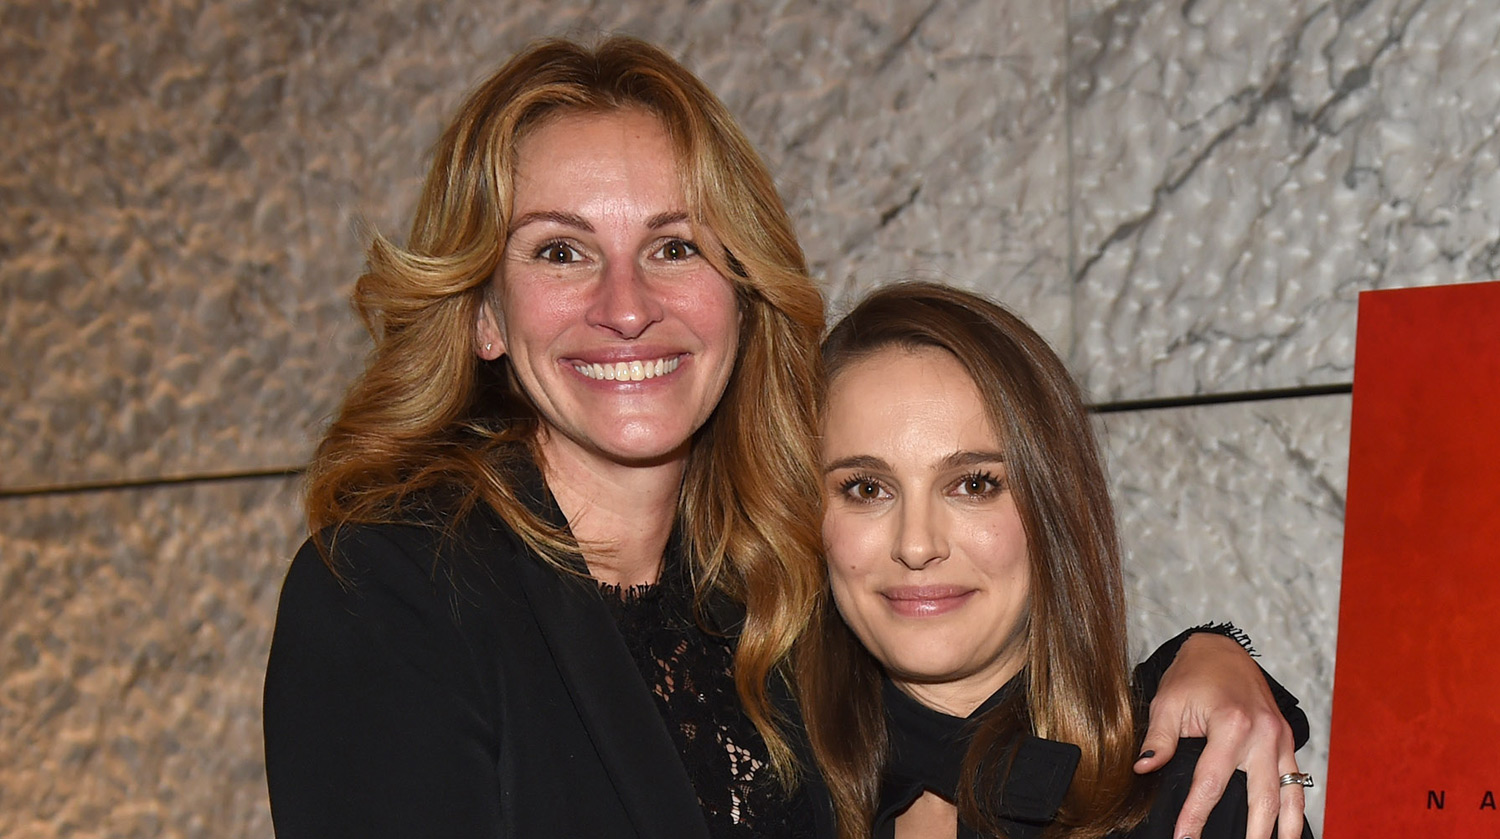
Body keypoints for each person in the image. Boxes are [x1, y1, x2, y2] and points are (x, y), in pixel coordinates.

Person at [262, 36, 1307, 839]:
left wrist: (1209, 661)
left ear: (742, 292)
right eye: (561, 251)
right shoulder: (394, 593)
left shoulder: (772, 592)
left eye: (675, 245)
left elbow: (991, 712)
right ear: (484, 313)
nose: (626, 306)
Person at [798, 282, 1316, 839]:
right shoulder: (757, 792)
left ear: (1054, 509)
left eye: (974, 484)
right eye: (867, 489)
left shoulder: (1196, 805)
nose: (917, 545)